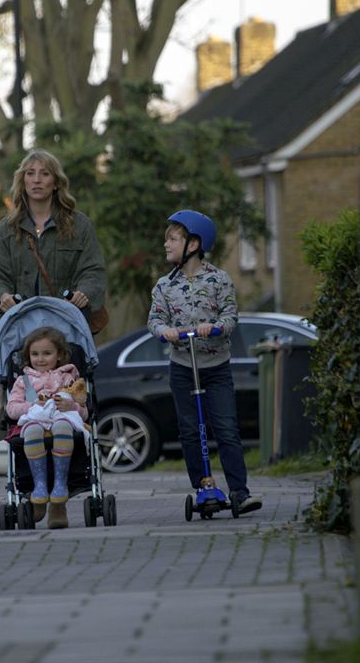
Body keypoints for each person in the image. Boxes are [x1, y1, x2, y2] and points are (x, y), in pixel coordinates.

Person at [147, 210, 262, 515]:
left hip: (216, 367)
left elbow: (230, 316)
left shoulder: (219, 280)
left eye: (172, 239)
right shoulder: (163, 286)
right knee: (189, 428)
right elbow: (155, 319)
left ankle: (239, 492)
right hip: (183, 367)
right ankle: (203, 486)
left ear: (193, 244)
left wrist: (216, 327)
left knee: (226, 427)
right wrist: (165, 331)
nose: (166, 245)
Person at [0, 149, 106, 317]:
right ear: (23, 181)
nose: (36, 180)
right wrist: (2, 296)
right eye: (30, 173)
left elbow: (93, 271)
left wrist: (83, 293)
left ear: (56, 182)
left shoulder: (79, 225)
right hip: (22, 324)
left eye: (45, 174)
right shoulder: (6, 230)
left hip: (68, 322)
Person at [4, 326, 88, 529]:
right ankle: (39, 486)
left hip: (62, 421)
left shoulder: (69, 378)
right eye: (35, 354)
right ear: (28, 356)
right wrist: (32, 405)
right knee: (32, 430)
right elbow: (11, 409)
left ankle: (60, 486)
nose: (40, 359)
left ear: (59, 355)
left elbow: (85, 412)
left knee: (62, 426)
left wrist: (73, 406)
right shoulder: (24, 381)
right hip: (35, 421)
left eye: (47, 353)